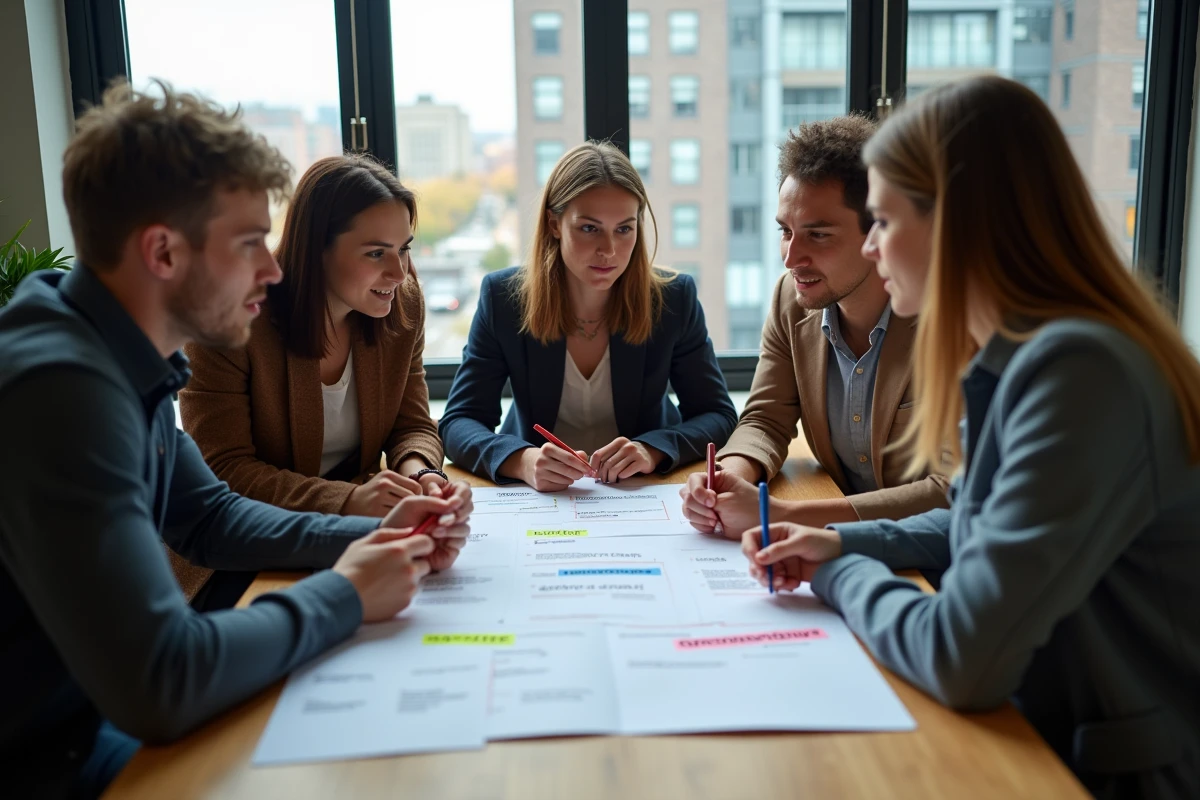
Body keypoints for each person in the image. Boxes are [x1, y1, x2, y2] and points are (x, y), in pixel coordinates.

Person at [0, 82, 472, 798]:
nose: (274, 269)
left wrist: (374, 529)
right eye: (250, 242)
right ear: (162, 251)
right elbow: (164, 678)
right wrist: (346, 592)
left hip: (82, 723)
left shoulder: (117, 352)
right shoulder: (61, 392)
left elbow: (209, 516)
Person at [741, 76, 1200, 797]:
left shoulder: (1079, 372)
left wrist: (834, 574)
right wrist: (840, 541)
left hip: (1109, 770)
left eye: (885, 222)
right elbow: (976, 519)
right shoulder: (1025, 351)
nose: (876, 249)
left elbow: (962, 658)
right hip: (1049, 731)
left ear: (958, 223)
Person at [179, 154, 455, 600]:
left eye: (404, 248)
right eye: (376, 253)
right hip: (239, 553)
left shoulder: (401, 304)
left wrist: (420, 474)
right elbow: (222, 471)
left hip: (352, 537)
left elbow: (413, 424)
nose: (399, 272)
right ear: (316, 250)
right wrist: (344, 501)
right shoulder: (230, 318)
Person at [681, 116, 947, 538]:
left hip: (931, 556)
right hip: (837, 544)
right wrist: (729, 477)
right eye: (785, 231)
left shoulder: (945, 316)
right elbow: (767, 418)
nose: (790, 258)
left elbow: (951, 491)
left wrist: (781, 515)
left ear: (877, 229)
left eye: (818, 235)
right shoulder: (792, 297)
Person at [440, 141, 737, 490]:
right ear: (554, 224)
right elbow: (460, 421)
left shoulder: (673, 299)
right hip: (542, 497)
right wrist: (523, 460)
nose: (609, 250)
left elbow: (718, 414)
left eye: (624, 229)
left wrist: (651, 450)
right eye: (589, 228)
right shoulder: (504, 299)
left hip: (638, 491)